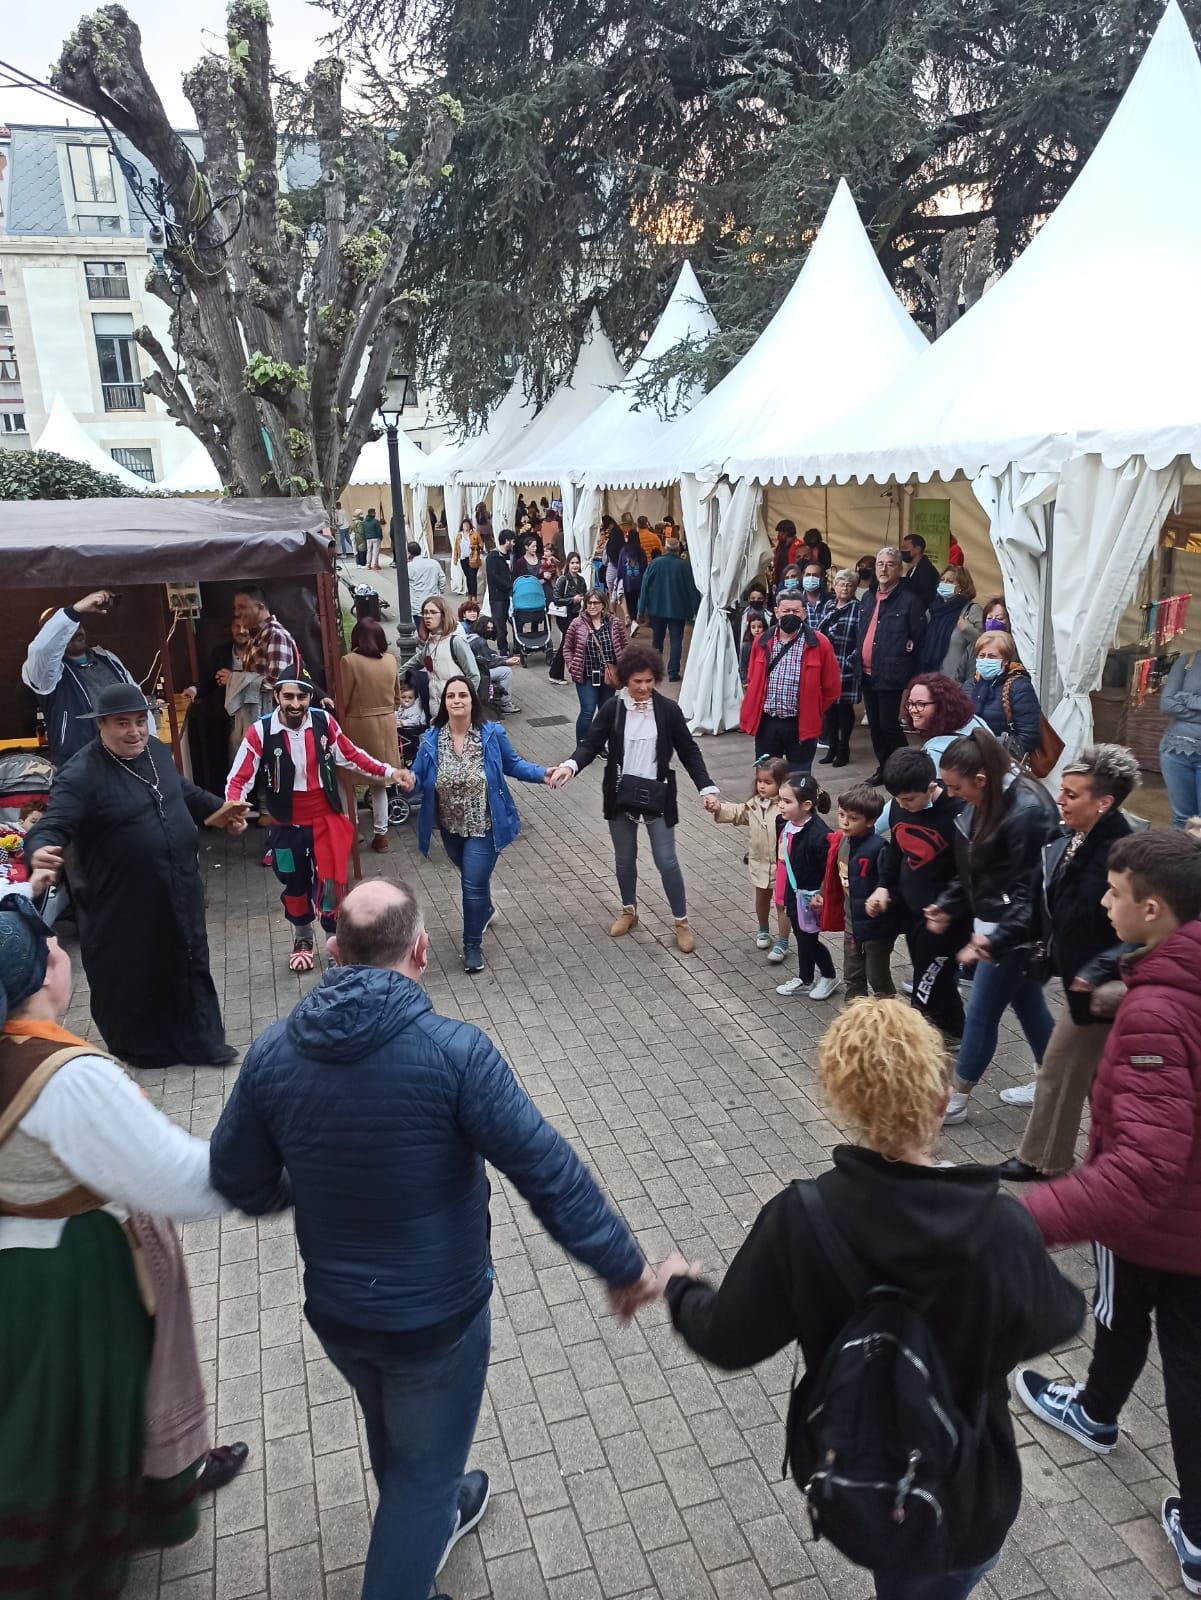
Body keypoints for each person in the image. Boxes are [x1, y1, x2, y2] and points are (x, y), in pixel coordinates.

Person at [208, 878, 657, 1600]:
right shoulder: (456, 1053)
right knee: (419, 1467)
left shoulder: (270, 1054)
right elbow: (546, 1169)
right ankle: (422, 1526)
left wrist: (300, 1187)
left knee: (397, 1431)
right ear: (420, 951)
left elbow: (236, 1178)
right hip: (436, 1317)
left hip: (337, 1313)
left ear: (332, 951)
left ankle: (439, 1509)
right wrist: (622, 1265)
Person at [662, 1000, 1084, 1600]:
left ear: (846, 1104)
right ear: (940, 1100)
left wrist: (680, 1287)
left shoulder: (802, 1218)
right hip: (968, 1492)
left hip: (858, 1471)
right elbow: (1059, 1318)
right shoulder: (999, 1227)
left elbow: (726, 1340)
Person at [0, 891, 253, 1600]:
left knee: (31, 1416)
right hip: (72, 1281)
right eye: (53, 947)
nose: (62, 952)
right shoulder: (68, 1078)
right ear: (42, 977)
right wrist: (275, 1160)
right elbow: (188, 1183)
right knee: (81, 1417)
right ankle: (71, 1563)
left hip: (16, 1271)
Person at [1016, 830, 1201, 1597]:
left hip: (1155, 1225)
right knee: (1179, 1356)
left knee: (1126, 1318)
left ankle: (1095, 1414)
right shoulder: (1168, 984)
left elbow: (1142, 1167)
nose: (1101, 901)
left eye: (1113, 893)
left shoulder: (1159, 1012)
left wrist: (1025, 1220)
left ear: (1150, 910)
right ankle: (1192, 1526)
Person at [25, 684, 248, 1069]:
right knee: (135, 972)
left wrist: (219, 810)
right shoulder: (80, 774)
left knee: (189, 957)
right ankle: (142, 1050)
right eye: (122, 724)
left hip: (179, 885)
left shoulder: (157, 751)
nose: (135, 732)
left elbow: (182, 792)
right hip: (120, 900)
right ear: (101, 726)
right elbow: (52, 824)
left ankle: (203, 1041)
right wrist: (39, 849)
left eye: (140, 721)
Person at [995, 745, 1139, 1182]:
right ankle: (1122, 1157)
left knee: (1058, 1069)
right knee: (1101, 1079)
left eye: (1072, 794)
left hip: (1098, 986)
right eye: (1062, 791)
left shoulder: (1124, 852)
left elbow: (1143, 933)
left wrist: (1095, 970)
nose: (1060, 799)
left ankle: (1045, 1159)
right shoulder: (1073, 836)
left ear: (1104, 802)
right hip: (1080, 979)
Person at [924, 730, 1061, 1124]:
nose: (951, 795)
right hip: (996, 925)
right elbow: (974, 868)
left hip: (1015, 932)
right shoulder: (987, 799)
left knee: (982, 1011)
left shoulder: (1029, 812)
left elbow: (1032, 895)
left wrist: (993, 940)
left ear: (980, 780)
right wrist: (949, 904)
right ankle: (1051, 1081)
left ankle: (956, 1098)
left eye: (955, 786)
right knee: (1028, 1004)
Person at [225, 671, 400, 972]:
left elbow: (349, 755)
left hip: (326, 819)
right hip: (285, 824)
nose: (295, 703)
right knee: (293, 882)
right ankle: (302, 937)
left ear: (309, 698)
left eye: (301, 696)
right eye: (289, 696)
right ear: (277, 696)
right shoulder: (260, 732)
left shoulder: (324, 722)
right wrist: (233, 808)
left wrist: (388, 772)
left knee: (332, 885)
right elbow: (239, 777)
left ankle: (335, 942)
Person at [548, 645, 717, 954]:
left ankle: (681, 922)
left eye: (649, 681)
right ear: (626, 680)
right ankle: (629, 910)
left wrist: (706, 787)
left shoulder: (668, 710)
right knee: (624, 858)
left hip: (658, 794)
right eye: (637, 681)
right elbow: (590, 744)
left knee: (667, 860)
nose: (643, 688)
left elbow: (689, 751)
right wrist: (569, 766)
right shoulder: (613, 709)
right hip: (620, 793)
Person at [398, 678, 552, 973]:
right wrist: (409, 782)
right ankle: (487, 909)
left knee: (470, 885)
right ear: (444, 703)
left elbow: (514, 764)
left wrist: (543, 774)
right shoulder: (432, 738)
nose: (457, 700)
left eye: (463, 695)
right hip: (450, 827)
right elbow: (417, 777)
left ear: (472, 701)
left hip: (486, 826)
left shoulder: (491, 734)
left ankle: (471, 947)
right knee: (474, 880)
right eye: (451, 696)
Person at [871, 748, 969, 1041]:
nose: (903, 806)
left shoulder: (959, 812)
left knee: (927, 984)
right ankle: (951, 1028)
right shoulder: (901, 805)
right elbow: (896, 850)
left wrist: (946, 906)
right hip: (912, 912)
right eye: (898, 800)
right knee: (932, 977)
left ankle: (939, 1035)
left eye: (910, 799)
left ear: (930, 787)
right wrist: (883, 885)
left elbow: (969, 873)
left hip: (946, 920)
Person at [22, 591, 137, 767]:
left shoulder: (107, 658)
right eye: (66, 630)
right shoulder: (45, 674)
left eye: (77, 625)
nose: (75, 632)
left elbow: (137, 701)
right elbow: (41, 650)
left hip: (126, 762)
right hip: (81, 768)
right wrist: (75, 611)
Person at [739, 591, 841, 773]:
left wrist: (813, 707)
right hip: (768, 723)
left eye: (796, 611)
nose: (791, 615)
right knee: (766, 779)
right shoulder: (762, 641)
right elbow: (752, 678)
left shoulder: (820, 644)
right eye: (786, 611)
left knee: (799, 782)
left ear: (804, 613)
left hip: (800, 724)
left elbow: (832, 688)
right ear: (777, 612)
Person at [704, 756, 792, 964]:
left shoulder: (785, 808)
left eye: (768, 782)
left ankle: (783, 941)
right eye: (759, 781)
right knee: (761, 898)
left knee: (782, 905)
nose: (762, 786)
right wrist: (719, 808)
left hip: (781, 864)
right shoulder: (754, 804)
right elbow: (738, 813)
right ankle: (763, 930)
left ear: (781, 783)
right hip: (759, 862)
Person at [856, 547, 927, 782]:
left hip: (891, 673)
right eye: (880, 564)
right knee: (875, 726)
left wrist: (914, 681)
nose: (884, 569)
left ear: (899, 568)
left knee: (889, 725)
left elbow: (918, 641)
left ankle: (906, 768)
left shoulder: (909, 601)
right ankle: (884, 768)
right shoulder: (867, 597)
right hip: (866, 672)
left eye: (890, 564)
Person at [773, 772, 841, 1001]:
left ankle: (829, 976)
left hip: (810, 897)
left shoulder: (819, 836)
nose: (780, 805)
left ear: (807, 805)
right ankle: (806, 978)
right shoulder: (785, 822)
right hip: (793, 891)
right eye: (780, 799)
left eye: (787, 801)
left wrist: (821, 894)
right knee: (801, 934)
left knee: (807, 938)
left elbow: (829, 870)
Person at [826, 785, 898, 1000]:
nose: (844, 822)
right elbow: (834, 871)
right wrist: (822, 892)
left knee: (878, 977)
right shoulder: (842, 841)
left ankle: (888, 1018)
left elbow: (891, 883)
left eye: (853, 818)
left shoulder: (879, 848)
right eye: (841, 815)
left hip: (877, 928)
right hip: (852, 923)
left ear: (871, 821)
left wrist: (883, 901)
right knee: (853, 974)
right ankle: (855, 1018)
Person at [338, 619, 402, 854]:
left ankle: (354, 830)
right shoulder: (391, 660)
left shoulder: (349, 661)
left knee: (347, 779)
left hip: (357, 724)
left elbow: (342, 700)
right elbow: (397, 698)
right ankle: (381, 834)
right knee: (379, 782)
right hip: (385, 724)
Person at [400, 595, 481, 720]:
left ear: (443, 615)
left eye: (433, 612)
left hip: (457, 715)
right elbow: (412, 664)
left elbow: (474, 676)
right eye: (425, 613)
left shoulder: (456, 642)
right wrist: (393, 679)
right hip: (436, 714)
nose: (427, 616)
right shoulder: (430, 644)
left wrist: (463, 705)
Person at [232, 586, 311, 712]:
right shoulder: (259, 635)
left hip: (271, 720)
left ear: (260, 607)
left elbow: (278, 684)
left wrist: (234, 680)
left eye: (242, 607)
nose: (236, 613)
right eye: (235, 608)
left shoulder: (275, 635)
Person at [968, 631, 1042, 757]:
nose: (985, 660)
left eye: (992, 656)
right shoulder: (971, 684)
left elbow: (1029, 735)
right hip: (969, 758)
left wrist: (996, 754)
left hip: (1001, 761)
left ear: (1006, 660)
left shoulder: (1019, 686)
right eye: (981, 655)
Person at [637, 536, 700, 682]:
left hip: (656, 609)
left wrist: (641, 610)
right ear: (678, 549)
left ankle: (655, 670)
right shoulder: (685, 566)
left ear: (665, 548)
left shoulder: (654, 564)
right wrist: (695, 611)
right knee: (676, 641)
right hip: (678, 610)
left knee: (657, 640)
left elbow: (644, 587)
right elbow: (692, 590)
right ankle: (673, 672)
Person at [817, 569, 861, 766]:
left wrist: (849, 662)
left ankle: (843, 748)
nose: (845, 587)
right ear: (834, 586)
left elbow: (861, 640)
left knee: (844, 708)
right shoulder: (828, 605)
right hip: (826, 664)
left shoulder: (858, 609)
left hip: (845, 665)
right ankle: (832, 746)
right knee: (829, 709)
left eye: (849, 584)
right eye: (841, 583)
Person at [904, 672, 989, 763]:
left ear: (942, 706)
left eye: (921, 704)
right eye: (910, 703)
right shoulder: (975, 720)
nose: (912, 710)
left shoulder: (936, 752)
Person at [1158, 651, 1201, 827]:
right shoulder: (1188, 660)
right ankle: (1182, 855)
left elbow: (1174, 703)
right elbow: (1167, 704)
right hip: (1174, 751)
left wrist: (1186, 699)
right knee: (1182, 820)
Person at [918, 565, 982, 682]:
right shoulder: (932, 611)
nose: (944, 583)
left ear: (961, 587)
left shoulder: (971, 610)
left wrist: (967, 629)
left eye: (950, 581)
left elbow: (984, 643)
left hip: (955, 681)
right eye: (942, 580)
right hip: (929, 678)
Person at [458, 603, 521, 715]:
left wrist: (497, 657)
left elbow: (486, 657)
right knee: (506, 672)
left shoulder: (472, 635)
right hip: (476, 673)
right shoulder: (479, 641)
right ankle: (504, 703)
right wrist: (506, 662)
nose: (490, 631)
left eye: (491, 628)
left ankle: (497, 696)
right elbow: (487, 663)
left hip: (471, 670)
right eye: (488, 628)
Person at [550, 551, 589, 674]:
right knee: (567, 642)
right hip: (564, 615)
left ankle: (558, 672)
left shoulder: (582, 580)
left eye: (577, 562)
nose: (575, 565)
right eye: (572, 563)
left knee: (569, 643)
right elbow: (556, 598)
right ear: (568, 564)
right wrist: (572, 599)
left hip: (576, 615)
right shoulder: (563, 579)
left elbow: (586, 595)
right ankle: (556, 673)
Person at [484, 529, 515, 651]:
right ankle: (502, 649)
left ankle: (517, 646)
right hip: (497, 597)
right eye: (512, 541)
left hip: (510, 595)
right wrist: (509, 585)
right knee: (500, 625)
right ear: (506, 541)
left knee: (515, 621)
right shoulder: (492, 557)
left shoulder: (511, 556)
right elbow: (494, 577)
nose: (514, 544)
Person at [406, 539, 447, 626]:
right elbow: (442, 579)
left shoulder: (409, 567)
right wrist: (440, 591)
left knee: (421, 627)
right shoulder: (434, 563)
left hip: (417, 602)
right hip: (434, 598)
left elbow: (404, 584)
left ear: (409, 553)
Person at [900, 532, 940, 608]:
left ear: (917, 549)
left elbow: (927, 598)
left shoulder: (927, 571)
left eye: (905, 548)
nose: (902, 551)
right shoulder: (912, 570)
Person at [617, 524, 646, 625]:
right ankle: (640, 615)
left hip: (628, 582)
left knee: (631, 603)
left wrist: (619, 579)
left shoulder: (624, 550)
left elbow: (620, 567)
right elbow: (644, 566)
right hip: (640, 581)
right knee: (639, 599)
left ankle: (633, 621)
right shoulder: (641, 551)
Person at [770, 518, 804, 588]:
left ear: (787, 532)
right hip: (780, 580)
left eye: (781, 532)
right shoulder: (780, 545)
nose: (779, 534)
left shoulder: (799, 545)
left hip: (793, 580)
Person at [738, 611, 767, 686]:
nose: (756, 630)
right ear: (749, 628)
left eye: (759, 627)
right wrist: (744, 681)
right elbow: (743, 665)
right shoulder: (747, 645)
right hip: (750, 680)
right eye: (753, 627)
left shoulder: (768, 644)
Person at [454, 516, 480, 597]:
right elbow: (456, 548)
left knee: (472, 576)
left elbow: (481, 545)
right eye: (464, 525)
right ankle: (470, 594)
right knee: (468, 576)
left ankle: (474, 596)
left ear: (470, 526)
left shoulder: (475, 534)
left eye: (467, 525)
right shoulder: (459, 536)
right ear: (462, 526)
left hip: (473, 558)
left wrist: (474, 547)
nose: (466, 526)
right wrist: (455, 558)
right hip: (463, 558)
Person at [361, 506, 383, 571]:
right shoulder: (375, 521)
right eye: (374, 512)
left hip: (368, 538)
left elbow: (363, 530)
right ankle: (374, 565)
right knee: (375, 552)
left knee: (369, 551)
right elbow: (379, 530)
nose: (375, 513)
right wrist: (380, 537)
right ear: (372, 513)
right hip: (376, 538)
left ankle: (368, 565)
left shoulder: (364, 522)